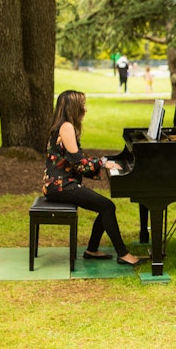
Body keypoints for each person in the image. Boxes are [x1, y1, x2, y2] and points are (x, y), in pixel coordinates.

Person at [42, 90, 140, 265]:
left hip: (59, 185)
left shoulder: (61, 125)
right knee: (107, 207)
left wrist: (101, 162)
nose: (85, 109)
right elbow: (79, 164)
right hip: (61, 186)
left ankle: (92, 249)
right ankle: (123, 254)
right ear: (74, 108)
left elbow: (76, 162)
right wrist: (103, 162)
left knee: (105, 207)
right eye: (82, 105)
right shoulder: (67, 127)